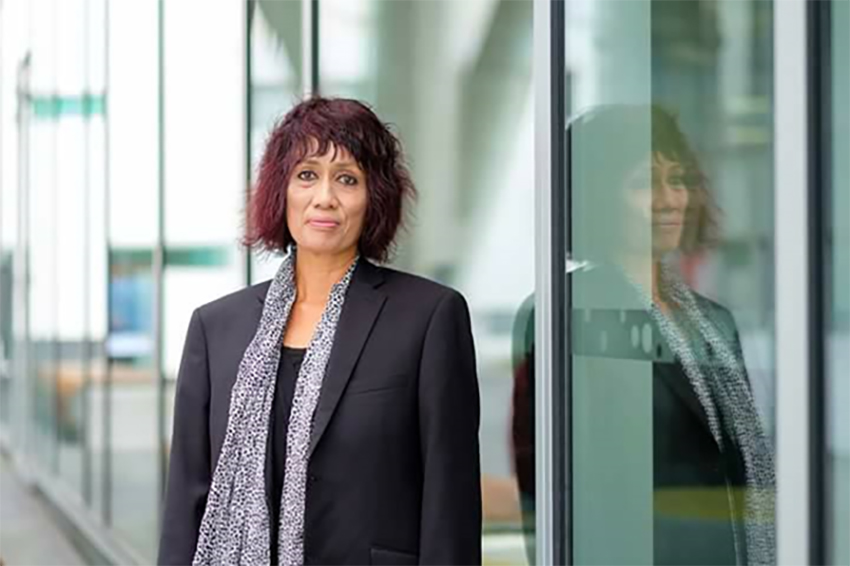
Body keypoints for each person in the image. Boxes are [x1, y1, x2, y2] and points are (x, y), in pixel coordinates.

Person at [158, 97, 482, 566]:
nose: (324, 197)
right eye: (307, 175)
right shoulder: (216, 328)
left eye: (347, 179)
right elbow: (187, 504)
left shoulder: (429, 318)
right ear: (281, 191)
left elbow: (449, 504)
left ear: (374, 198)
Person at [511, 105, 775, 565]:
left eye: (678, 180)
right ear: (595, 195)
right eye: (643, 183)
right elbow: (551, 480)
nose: (669, 199)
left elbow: (743, 465)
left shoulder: (714, 321)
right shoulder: (569, 310)